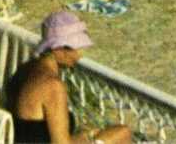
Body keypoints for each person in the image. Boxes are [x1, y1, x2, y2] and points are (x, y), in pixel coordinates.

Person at [9, 11, 131, 144]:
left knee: (106, 133)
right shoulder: (52, 86)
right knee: (122, 133)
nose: (79, 56)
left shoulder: (27, 69)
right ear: (58, 49)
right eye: (76, 49)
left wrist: (87, 136)